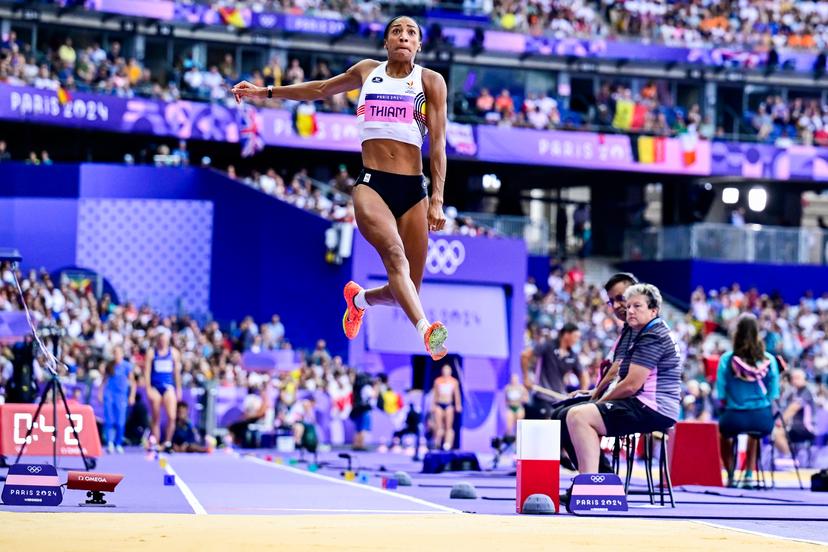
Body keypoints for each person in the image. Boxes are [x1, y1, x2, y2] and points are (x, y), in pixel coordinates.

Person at [232, 16, 450, 361]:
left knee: (407, 289)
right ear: (386, 43)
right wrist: (265, 92)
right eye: (396, 31)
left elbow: (438, 145)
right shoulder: (367, 71)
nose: (403, 37)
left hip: (414, 191)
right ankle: (426, 331)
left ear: (419, 45)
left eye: (411, 33)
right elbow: (319, 89)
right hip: (373, 185)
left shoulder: (431, 81)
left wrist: (437, 198)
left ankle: (359, 299)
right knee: (395, 257)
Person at [567, 283, 681, 474]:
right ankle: (594, 480)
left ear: (654, 310)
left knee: (579, 415)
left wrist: (599, 402)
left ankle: (590, 483)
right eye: (628, 306)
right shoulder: (645, 332)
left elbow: (631, 385)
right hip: (646, 404)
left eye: (637, 306)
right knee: (572, 412)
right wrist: (596, 395)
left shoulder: (653, 336)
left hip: (651, 407)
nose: (630, 311)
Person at [553, 272, 638, 472]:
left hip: (631, 402)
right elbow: (614, 369)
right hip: (614, 395)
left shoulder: (641, 330)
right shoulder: (627, 330)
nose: (616, 305)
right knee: (558, 414)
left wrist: (596, 395)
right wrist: (593, 392)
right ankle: (595, 476)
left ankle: (599, 477)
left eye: (620, 298)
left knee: (568, 415)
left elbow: (617, 370)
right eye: (611, 301)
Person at [716, 314, 780, 487]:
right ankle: (749, 475)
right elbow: (774, 393)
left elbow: (720, 394)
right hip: (761, 417)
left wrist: (731, 404)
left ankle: (730, 474)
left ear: (737, 334)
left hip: (734, 415)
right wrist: (761, 404)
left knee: (723, 433)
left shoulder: (727, 359)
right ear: (757, 333)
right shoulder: (769, 360)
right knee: (755, 434)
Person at [144, 330, 182, 452]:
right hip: (155, 387)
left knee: (172, 416)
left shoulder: (174, 353)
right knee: (156, 417)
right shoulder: (152, 352)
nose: (162, 343)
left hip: (168, 386)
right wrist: (148, 388)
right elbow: (147, 372)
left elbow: (177, 373)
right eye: (160, 340)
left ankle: (167, 442)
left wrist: (179, 389)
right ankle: (155, 442)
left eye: (164, 340)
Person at [99, 345, 136, 453]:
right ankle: (110, 442)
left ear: (122, 354)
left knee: (120, 421)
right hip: (109, 395)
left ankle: (118, 442)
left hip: (121, 396)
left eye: (118, 353)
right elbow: (104, 380)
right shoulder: (110, 365)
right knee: (109, 419)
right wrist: (100, 393)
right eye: (115, 353)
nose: (116, 355)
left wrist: (132, 395)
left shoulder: (127, 366)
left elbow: (133, 382)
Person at [774, 368, 817, 459]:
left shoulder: (806, 391)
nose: (794, 380)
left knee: (777, 433)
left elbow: (793, 408)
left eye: (797, 378)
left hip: (805, 428)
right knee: (776, 432)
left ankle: (789, 458)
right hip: (795, 427)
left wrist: (780, 422)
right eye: (793, 378)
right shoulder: (794, 392)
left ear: (804, 379)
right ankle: (788, 456)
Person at [431, 364, 462, 450]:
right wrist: (433, 405)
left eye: (448, 370)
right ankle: (436, 443)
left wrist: (458, 405)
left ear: (450, 371)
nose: (446, 372)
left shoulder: (454, 382)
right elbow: (435, 394)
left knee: (449, 426)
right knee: (439, 426)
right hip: (439, 404)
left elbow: (457, 395)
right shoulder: (438, 381)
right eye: (445, 370)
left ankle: (447, 444)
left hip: (449, 405)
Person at [504, 373, 529, 437]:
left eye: (515, 379)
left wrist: (522, 400)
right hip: (511, 408)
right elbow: (505, 400)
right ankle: (508, 439)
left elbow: (526, 399)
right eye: (513, 379)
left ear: (517, 380)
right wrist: (509, 403)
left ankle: (518, 439)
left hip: (519, 407)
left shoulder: (521, 388)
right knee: (509, 426)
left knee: (518, 426)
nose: (514, 380)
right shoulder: (507, 388)